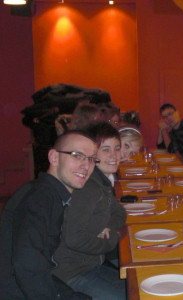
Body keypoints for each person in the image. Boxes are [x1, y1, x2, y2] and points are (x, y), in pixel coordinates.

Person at [0, 131, 98, 299]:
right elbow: (25, 266)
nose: (86, 166)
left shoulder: (49, 194)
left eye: (91, 159)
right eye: (77, 156)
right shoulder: (39, 198)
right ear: (54, 158)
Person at [52, 122, 127, 300]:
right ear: (93, 154)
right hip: (72, 274)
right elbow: (73, 237)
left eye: (117, 148)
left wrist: (108, 227)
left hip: (93, 264)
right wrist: (112, 240)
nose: (114, 155)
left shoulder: (102, 182)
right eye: (106, 149)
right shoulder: (88, 187)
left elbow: (120, 213)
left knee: (136, 288)